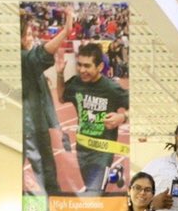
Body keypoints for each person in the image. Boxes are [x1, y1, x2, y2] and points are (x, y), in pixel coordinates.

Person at [54, 41, 129, 195]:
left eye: (87, 66)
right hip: (82, 149)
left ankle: (108, 175)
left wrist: (122, 116)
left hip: (103, 151)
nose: (82, 70)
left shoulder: (111, 88)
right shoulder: (76, 83)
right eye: (79, 65)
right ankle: (115, 174)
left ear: (100, 67)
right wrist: (60, 74)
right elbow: (61, 98)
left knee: (93, 193)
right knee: (91, 185)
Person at [21, 6, 72, 194]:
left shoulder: (28, 64)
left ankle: (52, 200)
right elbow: (40, 54)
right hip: (29, 127)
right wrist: (65, 31)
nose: (31, 38)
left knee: (47, 169)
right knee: (42, 169)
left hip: (38, 125)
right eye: (26, 35)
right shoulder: (23, 59)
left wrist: (53, 76)